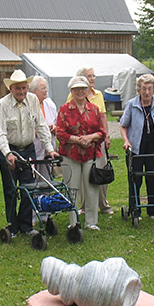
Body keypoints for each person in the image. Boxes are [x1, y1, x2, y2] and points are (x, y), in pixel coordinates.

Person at [0, 69, 58, 237]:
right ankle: (12, 226)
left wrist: (50, 149)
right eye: (18, 88)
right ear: (11, 89)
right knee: (10, 189)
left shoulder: (32, 100)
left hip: (28, 149)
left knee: (28, 188)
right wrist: (8, 153)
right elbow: (0, 132)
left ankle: (26, 226)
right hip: (10, 149)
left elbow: (42, 126)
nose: (22, 91)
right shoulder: (3, 104)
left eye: (24, 88)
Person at [55, 76, 106, 230]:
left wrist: (90, 137)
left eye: (83, 88)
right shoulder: (64, 109)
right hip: (70, 155)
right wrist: (77, 140)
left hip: (91, 154)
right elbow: (60, 133)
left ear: (87, 90)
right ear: (71, 90)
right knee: (73, 189)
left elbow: (102, 132)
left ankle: (91, 222)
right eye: (76, 88)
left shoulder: (94, 109)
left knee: (91, 189)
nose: (80, 91)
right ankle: (74, 222)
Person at [120, 74, 154, 219]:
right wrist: (126, 141)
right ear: (139, 89)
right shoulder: (132, 104)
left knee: (153, 177)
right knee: (136, 179)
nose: (146, 92)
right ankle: (136, 210)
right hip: (136, 147)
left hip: (153, 146)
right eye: (143, 89)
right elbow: (123, 126)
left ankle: (152, 210)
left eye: (149, 89)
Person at [68, 67, 114, 215]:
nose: (92, 78)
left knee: (100, 170)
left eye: (94, 76)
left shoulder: (99, 94)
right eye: (89, 76)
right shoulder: (73, 95)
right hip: (81, 142)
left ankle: (103, 203)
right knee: (83, 174)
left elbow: (103, 116)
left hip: (97, 139)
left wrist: (105, 136)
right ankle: (84, 205)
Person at [30, 76, 57, 179]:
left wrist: (54, 127)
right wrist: (38, 132)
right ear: (33, 91)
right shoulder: (29, 105)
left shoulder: (50, 104)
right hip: (35, 149)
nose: (46, 91)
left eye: (46, 88)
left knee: (47, 179)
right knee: (34, 178)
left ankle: (46, 195)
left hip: (48, 149)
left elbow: (56, 122)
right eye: (42, 88)